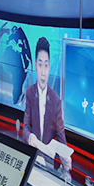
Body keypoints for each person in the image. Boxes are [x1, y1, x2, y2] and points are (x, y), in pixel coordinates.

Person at [22, 37, 71, 173]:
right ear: (35, 66)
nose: (43, 72)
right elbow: (26, 127)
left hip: (48, 167)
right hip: (30, 159)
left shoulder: (55, 100)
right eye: (40, 65)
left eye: (46, 65)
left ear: (49, 67)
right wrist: (30, 137)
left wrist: (65, 157)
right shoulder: (30, 93)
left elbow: (60, 135)